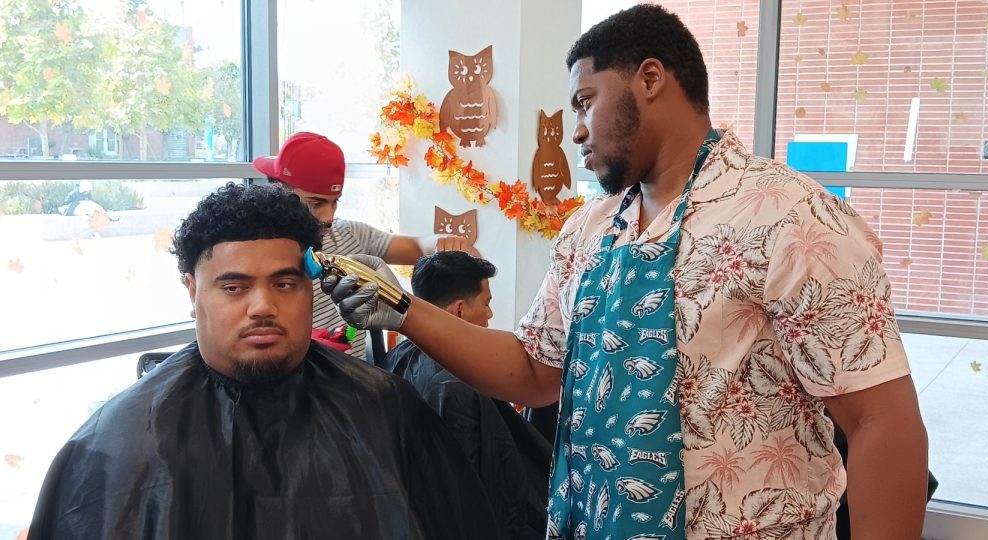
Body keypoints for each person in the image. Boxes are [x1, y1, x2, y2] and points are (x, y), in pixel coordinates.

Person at [323, 5, 929, 539]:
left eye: (586, 101)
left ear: (650, 78)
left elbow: (881, 421)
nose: (577, 129)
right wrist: (406, 310)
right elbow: (534, 372)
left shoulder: (789, 218)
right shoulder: (590, 230)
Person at [28, 183, 500, 540]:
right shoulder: (118, 439)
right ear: (193, 292)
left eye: (285, 283)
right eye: (233, 287)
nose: (262, 306)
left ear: (311, 286)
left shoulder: (386, 408)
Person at [254, 132, 477, 360]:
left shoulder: (349, 235)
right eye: (315, 203)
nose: (328, 217)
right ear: (279, 192)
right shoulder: (254, 255)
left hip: (350, 386)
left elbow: (418, 248)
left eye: (335, 202)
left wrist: (440, 242)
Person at [379, 251, 552, 539]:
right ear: (459, 310)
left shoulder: (398, 356)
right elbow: (497, 490)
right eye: (487, 304)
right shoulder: (458, 389)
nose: (490, 314)